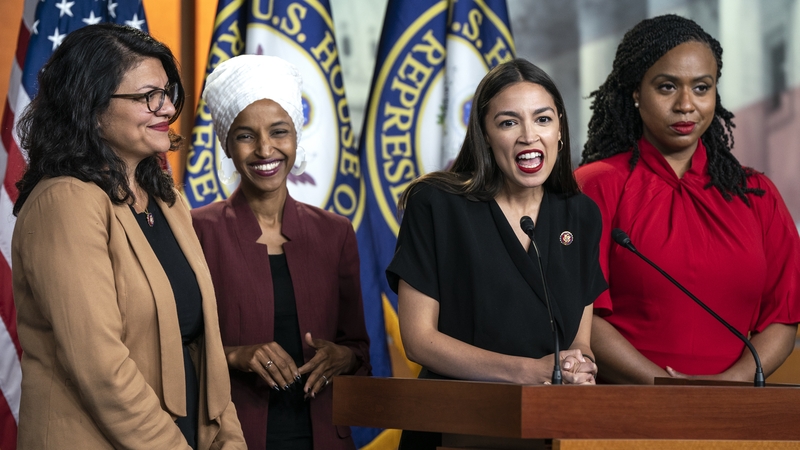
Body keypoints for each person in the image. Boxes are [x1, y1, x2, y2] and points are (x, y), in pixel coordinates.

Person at [11, 24, 245, 449]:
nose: (165, 109)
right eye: (146, 97)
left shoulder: (168, 201)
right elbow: (102, 370)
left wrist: (228, 440)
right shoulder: (65, 202)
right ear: (91, 108)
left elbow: (204, 347)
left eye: (167, 94)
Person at [386, 58, 607, 449]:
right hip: (454, 425)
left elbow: (579, 341)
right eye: (508, 122)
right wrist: (530, 372)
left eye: (542, 119)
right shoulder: (437, 204)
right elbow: (419, 340)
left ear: (560, 128)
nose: (529, 136)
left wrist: (578, 365)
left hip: (547, 430)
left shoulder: (581, 213)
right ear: (485, 135)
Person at [576, 14, 800, 385]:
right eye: (666, 87)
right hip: (623, 407)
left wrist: (731, 385)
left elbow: (783, 316)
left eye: (701, 88)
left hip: (734, 412)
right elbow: (583, 319)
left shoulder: (758, 195)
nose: (686, 104)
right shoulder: (595, 186)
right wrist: (665, 390)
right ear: (636, 92)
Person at [192, 54, 371, 450]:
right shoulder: (196, 231)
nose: (265, 149)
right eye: (245, 135)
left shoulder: (335, 233)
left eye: (279, 132)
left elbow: (359, 349)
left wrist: (343, 357)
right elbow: (173, 350)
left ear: (296, 136)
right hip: (232, 439)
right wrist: (237, 355)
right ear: (227, 143)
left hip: (324, 438)